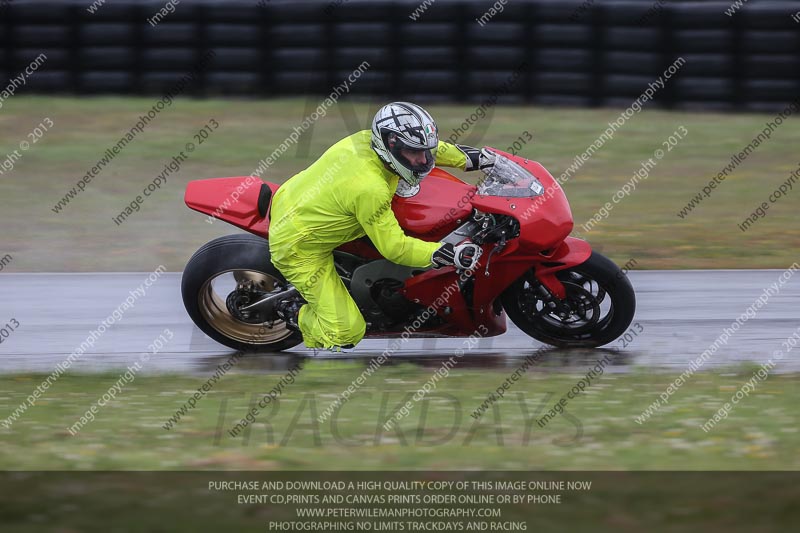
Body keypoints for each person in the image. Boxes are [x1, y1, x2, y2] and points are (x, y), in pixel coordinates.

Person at [268, 102, 495, 352]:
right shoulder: (370, 188)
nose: (423, 160)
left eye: (424, 152)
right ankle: (291, 311)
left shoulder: (369, 139)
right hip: (299, 246)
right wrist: (443, 253)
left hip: (295, 195)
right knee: (346, 332)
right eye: (415, 154)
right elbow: (395, 248)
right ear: (392, 146)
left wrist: (473, 159)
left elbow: (428, 148)